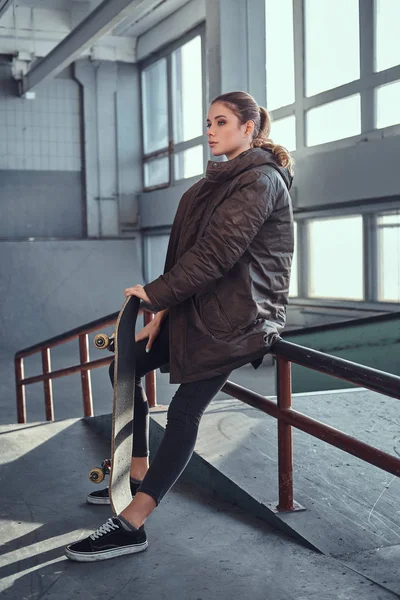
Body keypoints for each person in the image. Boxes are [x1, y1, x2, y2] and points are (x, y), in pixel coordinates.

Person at [65, 90, 294, 562]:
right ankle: (138, 470)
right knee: (124, 369)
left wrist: (155, 293)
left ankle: (133, 523)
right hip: (197, 309)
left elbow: (217, 254)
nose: (209, 130)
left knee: (184, 412)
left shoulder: (262, 181)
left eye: (221, 121)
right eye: (208, 122)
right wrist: (162, 317)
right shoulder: (207, 185)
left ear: (249, 128)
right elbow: (184, 255)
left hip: (239, 319)